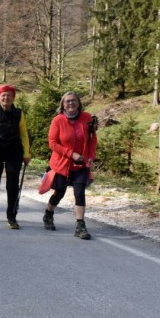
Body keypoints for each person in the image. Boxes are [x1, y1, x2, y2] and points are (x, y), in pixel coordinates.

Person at [43, 91, 97, 239]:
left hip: (81, 164)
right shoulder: (58, 120)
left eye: (73, 100)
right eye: (67, 101)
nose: (71, 103)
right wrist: (71, 154)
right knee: (59, 192)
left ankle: (80, 225)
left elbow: (92, 140)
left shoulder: (87, 118)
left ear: (79, 103)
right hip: (61, 163)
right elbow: (53, 144)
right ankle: (48, 214)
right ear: (63, 104)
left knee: (79, 192)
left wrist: (91, 156)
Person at [0, 84, 32, 229]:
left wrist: (27, 153)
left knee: (12, 185)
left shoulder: (19, 114)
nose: (6, 97)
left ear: (13, 97)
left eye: (9, 95)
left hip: (14, 153)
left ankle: (11, 217)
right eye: (3, 95)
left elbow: (24, 135)